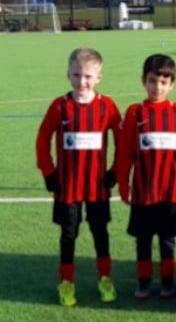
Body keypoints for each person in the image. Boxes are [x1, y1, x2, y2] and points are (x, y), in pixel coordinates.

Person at [35, 47, 121, 307]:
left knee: (100, 234)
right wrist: (49, 172)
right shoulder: (59, 107)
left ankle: (105, 278)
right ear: (68, 75)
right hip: (67, 187)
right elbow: (42, 140)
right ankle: (66, 282)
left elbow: (122, 142)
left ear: (98, 78)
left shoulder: (107, 106)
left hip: (97, 187)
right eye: (76, 75)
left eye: (87, 76)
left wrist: (115, 171)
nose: (81, 82)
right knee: (68, 235)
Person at [116, 54, 176, 299]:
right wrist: (123, 184)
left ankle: (168, 283)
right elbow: (124, 152)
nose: (158, 87)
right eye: (153, 81)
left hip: (170, 193)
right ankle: (143, 283)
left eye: (164, 82)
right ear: (143, 81)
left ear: (172, 84)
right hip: (143, 192)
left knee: (168, 242)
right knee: (143, 242)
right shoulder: (135, 112)